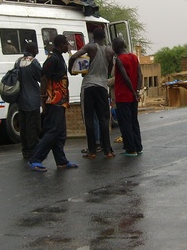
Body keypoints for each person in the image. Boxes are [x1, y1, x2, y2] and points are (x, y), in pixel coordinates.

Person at [27, 35, 78, 172]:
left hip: (60, 101)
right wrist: (43, 100)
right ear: (61, 44)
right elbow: (44, 78)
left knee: (60, 133)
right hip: (53, 101)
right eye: (66, 44)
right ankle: (36, 159)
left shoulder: (59, 58)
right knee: (52, 131)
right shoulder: (53, 59)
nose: (68, 46)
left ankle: (61, 161)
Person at [68, 27, 115, 159]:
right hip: (102, 86)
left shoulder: (90, 47)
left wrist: (71, 68)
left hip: (88, 85)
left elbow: (75, 56)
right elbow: (110, 69)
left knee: (88, 118)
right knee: (104, 119)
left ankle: (92, 151)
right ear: (104, 36)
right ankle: (108, 151)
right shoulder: (109, 51)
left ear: (93, 36)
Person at [112, 37, 143, 156]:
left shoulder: (120, 60)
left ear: (116, 47)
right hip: (133, 96)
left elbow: (125, 78)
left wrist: (132, 90)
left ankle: (131, 149)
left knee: (125, 122)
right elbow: (140, 75)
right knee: (134, 121)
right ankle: (138, 146)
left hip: (123, 95)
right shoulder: (134, 57)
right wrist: (137, 90)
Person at [17, 41, 43, 161]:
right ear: (34, 50)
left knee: (24, 127)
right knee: (33, 127)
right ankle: (34, 151)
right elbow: (41, 77)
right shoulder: (33, 62)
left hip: (20, 99)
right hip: (32, 99)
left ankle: (25, 150)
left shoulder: (18, 61)